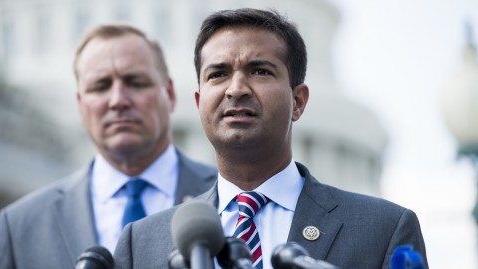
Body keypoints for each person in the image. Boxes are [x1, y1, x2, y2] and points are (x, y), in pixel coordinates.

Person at [114, 8, 428, 269]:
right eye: (218, 74)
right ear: (199, 103)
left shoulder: (383, 229)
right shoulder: (142, 244)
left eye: (260, 71)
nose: (236, 89)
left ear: (299, 102)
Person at [0, 24, 217, 269]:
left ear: (170, 94)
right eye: (100, 86)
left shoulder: (234, 199)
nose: (118, 101)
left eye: (135, 82)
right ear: (80, 106)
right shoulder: (18, 227)